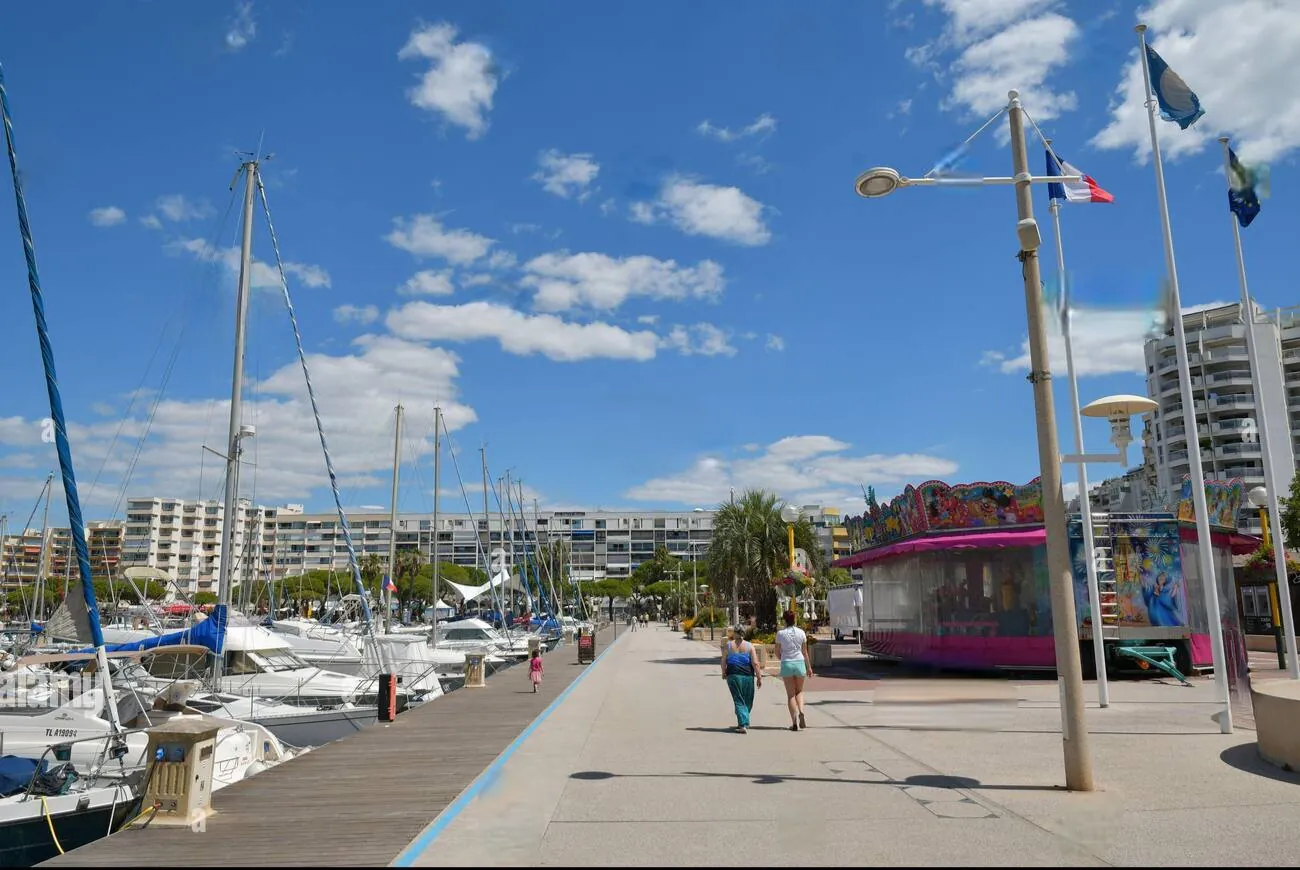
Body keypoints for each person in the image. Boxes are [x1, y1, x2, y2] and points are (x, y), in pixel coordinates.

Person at [775, 609, 813, 731]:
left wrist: (783, 658)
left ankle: (794, 721)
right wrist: (809, 667)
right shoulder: (801, 633)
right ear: (794, 619)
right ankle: (801, 711)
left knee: (791, 695)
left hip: (787, 663)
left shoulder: (780, 634)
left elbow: (777, 652)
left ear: (785, 620)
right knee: (799, 691)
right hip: (800, 662)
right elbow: (804, 652)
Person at [720, 625, 761, 733]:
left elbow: (723, 660)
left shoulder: (728, 645)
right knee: (747, 699)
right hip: (747, 675)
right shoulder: (749, 646)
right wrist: (759, 677)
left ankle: (743, 722)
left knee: (738, 699)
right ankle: (743, 723)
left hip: (733, 675)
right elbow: (755, 663)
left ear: (735, 633)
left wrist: (723, 672)